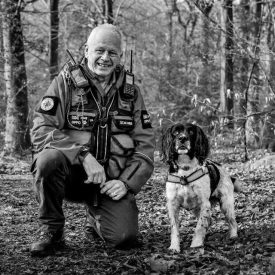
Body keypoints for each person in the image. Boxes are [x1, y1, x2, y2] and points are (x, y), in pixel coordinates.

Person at [30, 23, 155, 256]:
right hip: (71, 176)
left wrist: (126, 183)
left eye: (112, 52)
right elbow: (41, 128)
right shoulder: (65, 82)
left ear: (120, 56)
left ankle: (96, 218)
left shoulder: (131, 93)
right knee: (47, 160)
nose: (105, 58)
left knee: (123, 238)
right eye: (99, 50)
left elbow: (145, 145)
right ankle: (52, 230)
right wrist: (83, 155)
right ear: (86, 50)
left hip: (110, 180)